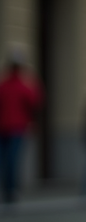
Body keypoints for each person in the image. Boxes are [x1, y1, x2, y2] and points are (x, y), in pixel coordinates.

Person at [0, 50, 43, 203]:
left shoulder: (7, 84)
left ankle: (10, 190)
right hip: (14, 127)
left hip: (13, 127)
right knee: (11, 161)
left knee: (8, 161)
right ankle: (10, 190)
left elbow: (34, 103)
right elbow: (36, 102)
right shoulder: (23, 85)